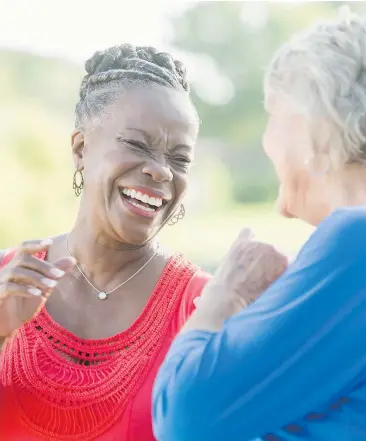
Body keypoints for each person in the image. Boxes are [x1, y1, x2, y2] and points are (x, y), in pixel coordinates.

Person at [152, 9, 366, 441]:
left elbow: (183, 417)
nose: (267, 140)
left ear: (319, 130)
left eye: (274, 113)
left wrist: (224, 295)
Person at [0, 44, 210, 441]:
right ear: (81, 148)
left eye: (179, 158)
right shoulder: (6, 279)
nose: (160, 170)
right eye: (137, 144)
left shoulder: (202, 307)